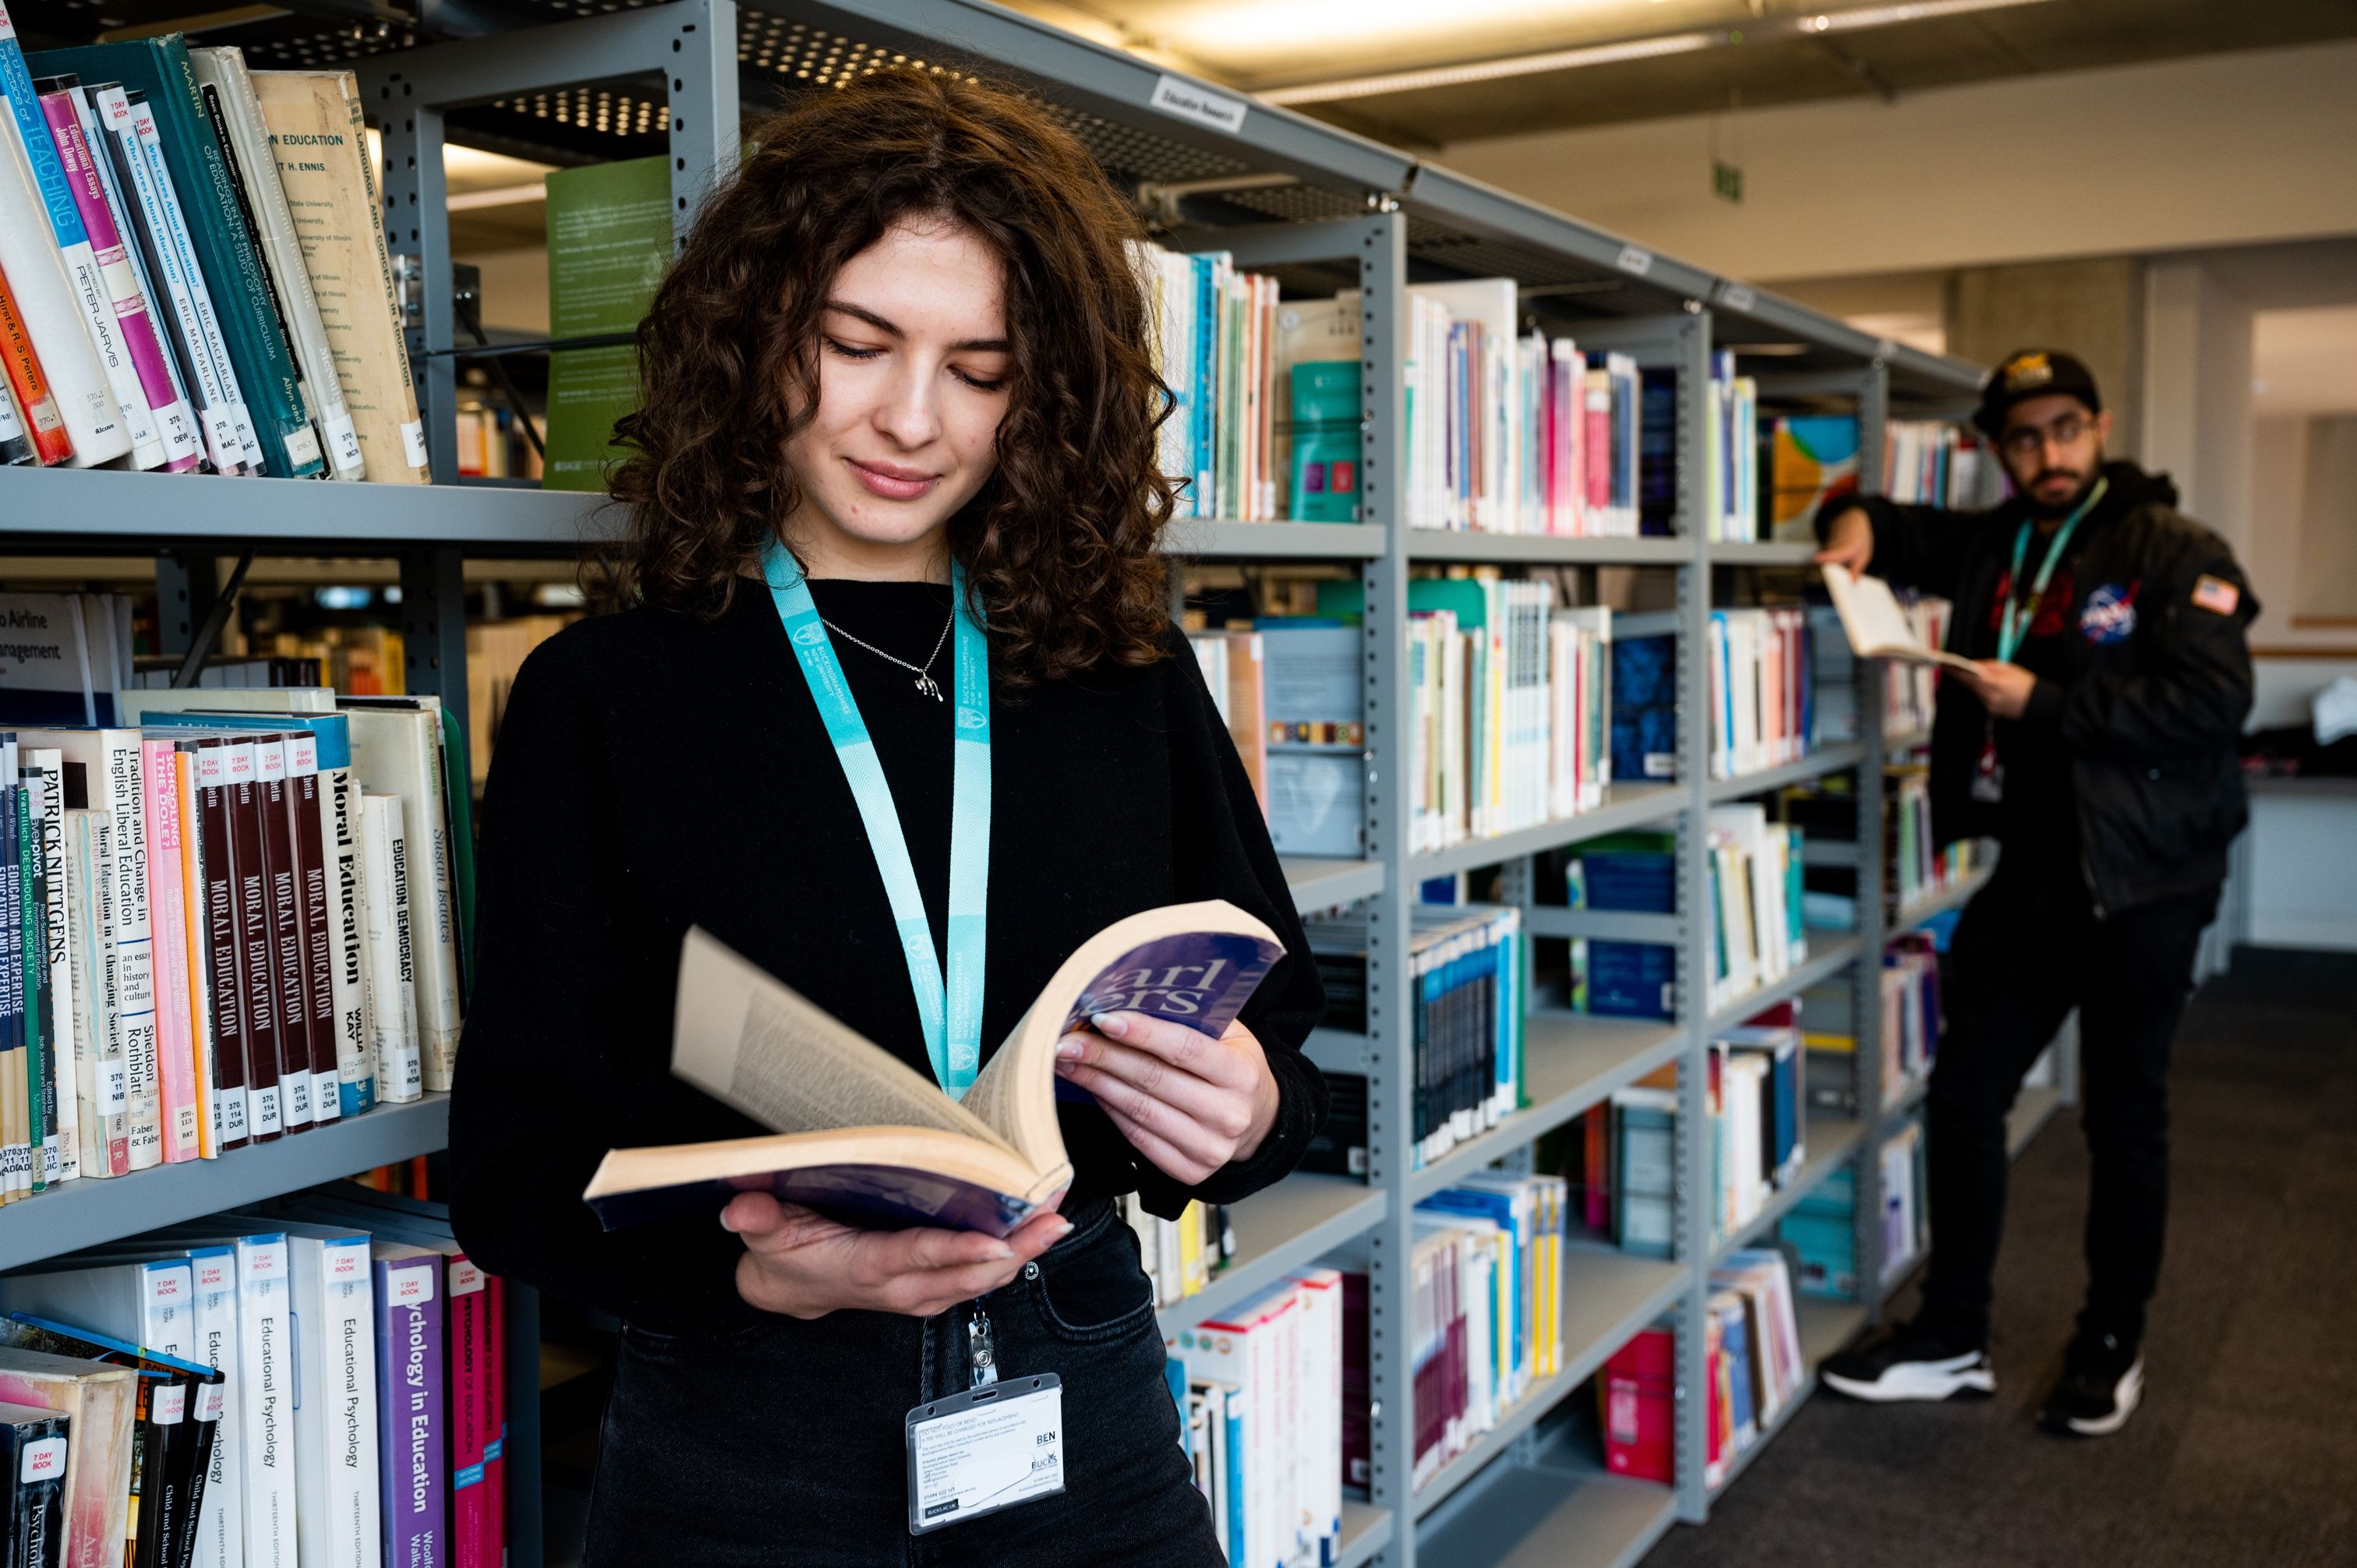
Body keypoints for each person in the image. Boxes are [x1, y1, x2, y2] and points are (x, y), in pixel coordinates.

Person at [445, 70, 1327, 1564]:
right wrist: (752, 1281)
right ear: (756, 338)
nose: (912, 420)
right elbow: (512, 1178)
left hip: (1080, 1378)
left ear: (1041, 391)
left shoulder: (1119, 675)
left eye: (979, 370)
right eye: (857, 345)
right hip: (742, 1429)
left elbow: (1280, 1051)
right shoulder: (602, 695)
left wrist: (1245, 1116)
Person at [1813, 349, 2256, 1436]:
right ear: (1999, 449)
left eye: (2066, 429)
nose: (2047, 453)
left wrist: (2047, 706)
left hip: (2148, 880)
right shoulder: (2000, 540)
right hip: (2035, 871)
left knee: (2122, 1110)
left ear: (2100, 427)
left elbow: (2213, 702)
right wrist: (1861, 518)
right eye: (2024, 436)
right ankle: (1953, 1331)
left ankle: (2112, 1340)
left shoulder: (2173, 549)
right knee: (1964, 1096)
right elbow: (1907, 535)